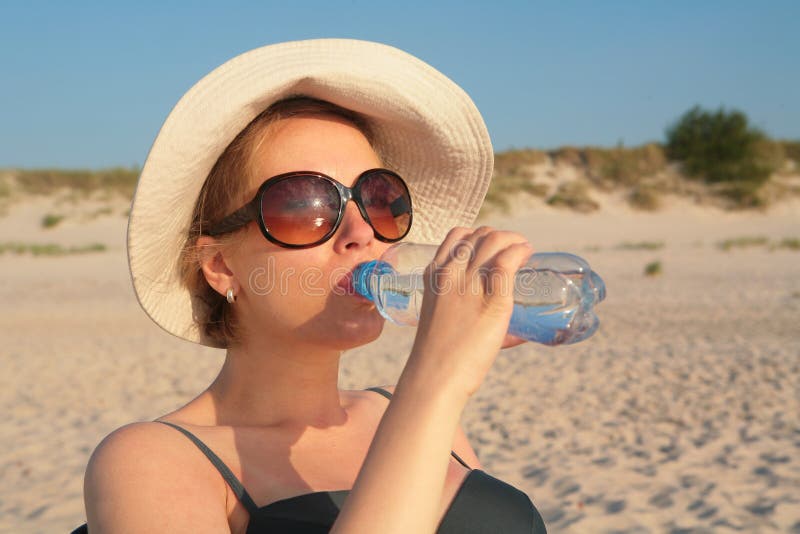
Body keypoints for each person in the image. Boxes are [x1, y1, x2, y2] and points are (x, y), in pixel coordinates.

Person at [76, 38, 547, 533]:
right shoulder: (150, 460)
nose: (361, 233)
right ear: (220, 267)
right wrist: (435, 382)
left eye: (379, 198)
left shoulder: (408, 409)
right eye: (305, 208)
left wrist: (430, 391)